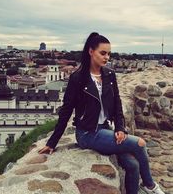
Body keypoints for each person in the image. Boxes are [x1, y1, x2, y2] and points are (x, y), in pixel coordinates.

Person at [38, 32, 165, 194]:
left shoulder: (109, 75)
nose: (107, 57)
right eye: (103, 53)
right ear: (91, 51)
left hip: (105, 128)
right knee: (140, 143)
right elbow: (66, 110)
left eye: (109, 54)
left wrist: (120, 128)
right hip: (87, 133)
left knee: (133, 165)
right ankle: (150, 186)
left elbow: (117, 104)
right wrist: (52, 143)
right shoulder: (78, 78)